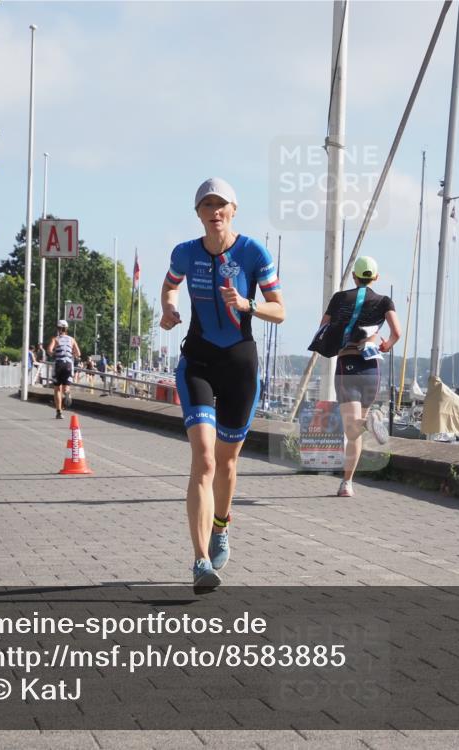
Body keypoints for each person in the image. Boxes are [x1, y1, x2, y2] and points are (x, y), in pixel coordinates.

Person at [162, 177, 285, 590]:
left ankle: (221, 525)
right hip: (197, 359)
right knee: (205, 458)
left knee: (227, 464)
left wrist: (248, 304)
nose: (214, 211)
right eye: (206, 205)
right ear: (198, 213)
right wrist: (168, 309)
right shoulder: (185, 252)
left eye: (221, 205)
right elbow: (169, 285)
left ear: (233, 210)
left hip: (239, 363)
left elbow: (280, 310)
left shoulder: (253, 252)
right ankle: (200, 562)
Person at [320, 255, 401, 498]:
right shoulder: (384, 301)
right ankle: (348, 482)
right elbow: (397, 332)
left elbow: (324, 327)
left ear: (354, 276)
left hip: (348, 365)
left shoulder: (340, 298)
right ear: (375, 277)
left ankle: (347, 483)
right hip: (372, 368)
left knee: (351, 429)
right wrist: (386, 344)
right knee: (355, 430)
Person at [47, 320, 80, 419]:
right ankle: (67, 392)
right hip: (69, 364)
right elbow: (78, 353)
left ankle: (59, 412)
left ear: (58, 329)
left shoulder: (55, 339)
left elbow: (49, 350)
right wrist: (71, 354)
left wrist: (54, 354)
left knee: (57, 388)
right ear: (66, 329)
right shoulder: (72, 339)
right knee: (66, 386)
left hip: (59, 364)